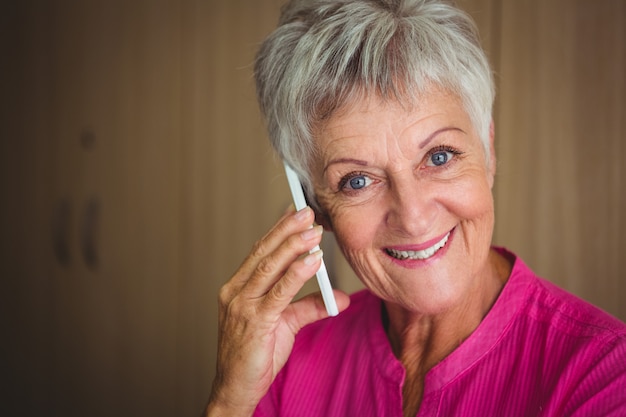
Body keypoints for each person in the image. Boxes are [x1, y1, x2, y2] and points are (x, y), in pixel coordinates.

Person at [204, 0, 626, 416]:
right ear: (317, 207)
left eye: (440, 156)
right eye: (358, 181)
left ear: (488, 151)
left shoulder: (605, 373)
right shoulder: (286, 361)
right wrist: (230, 402)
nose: (413, 216)